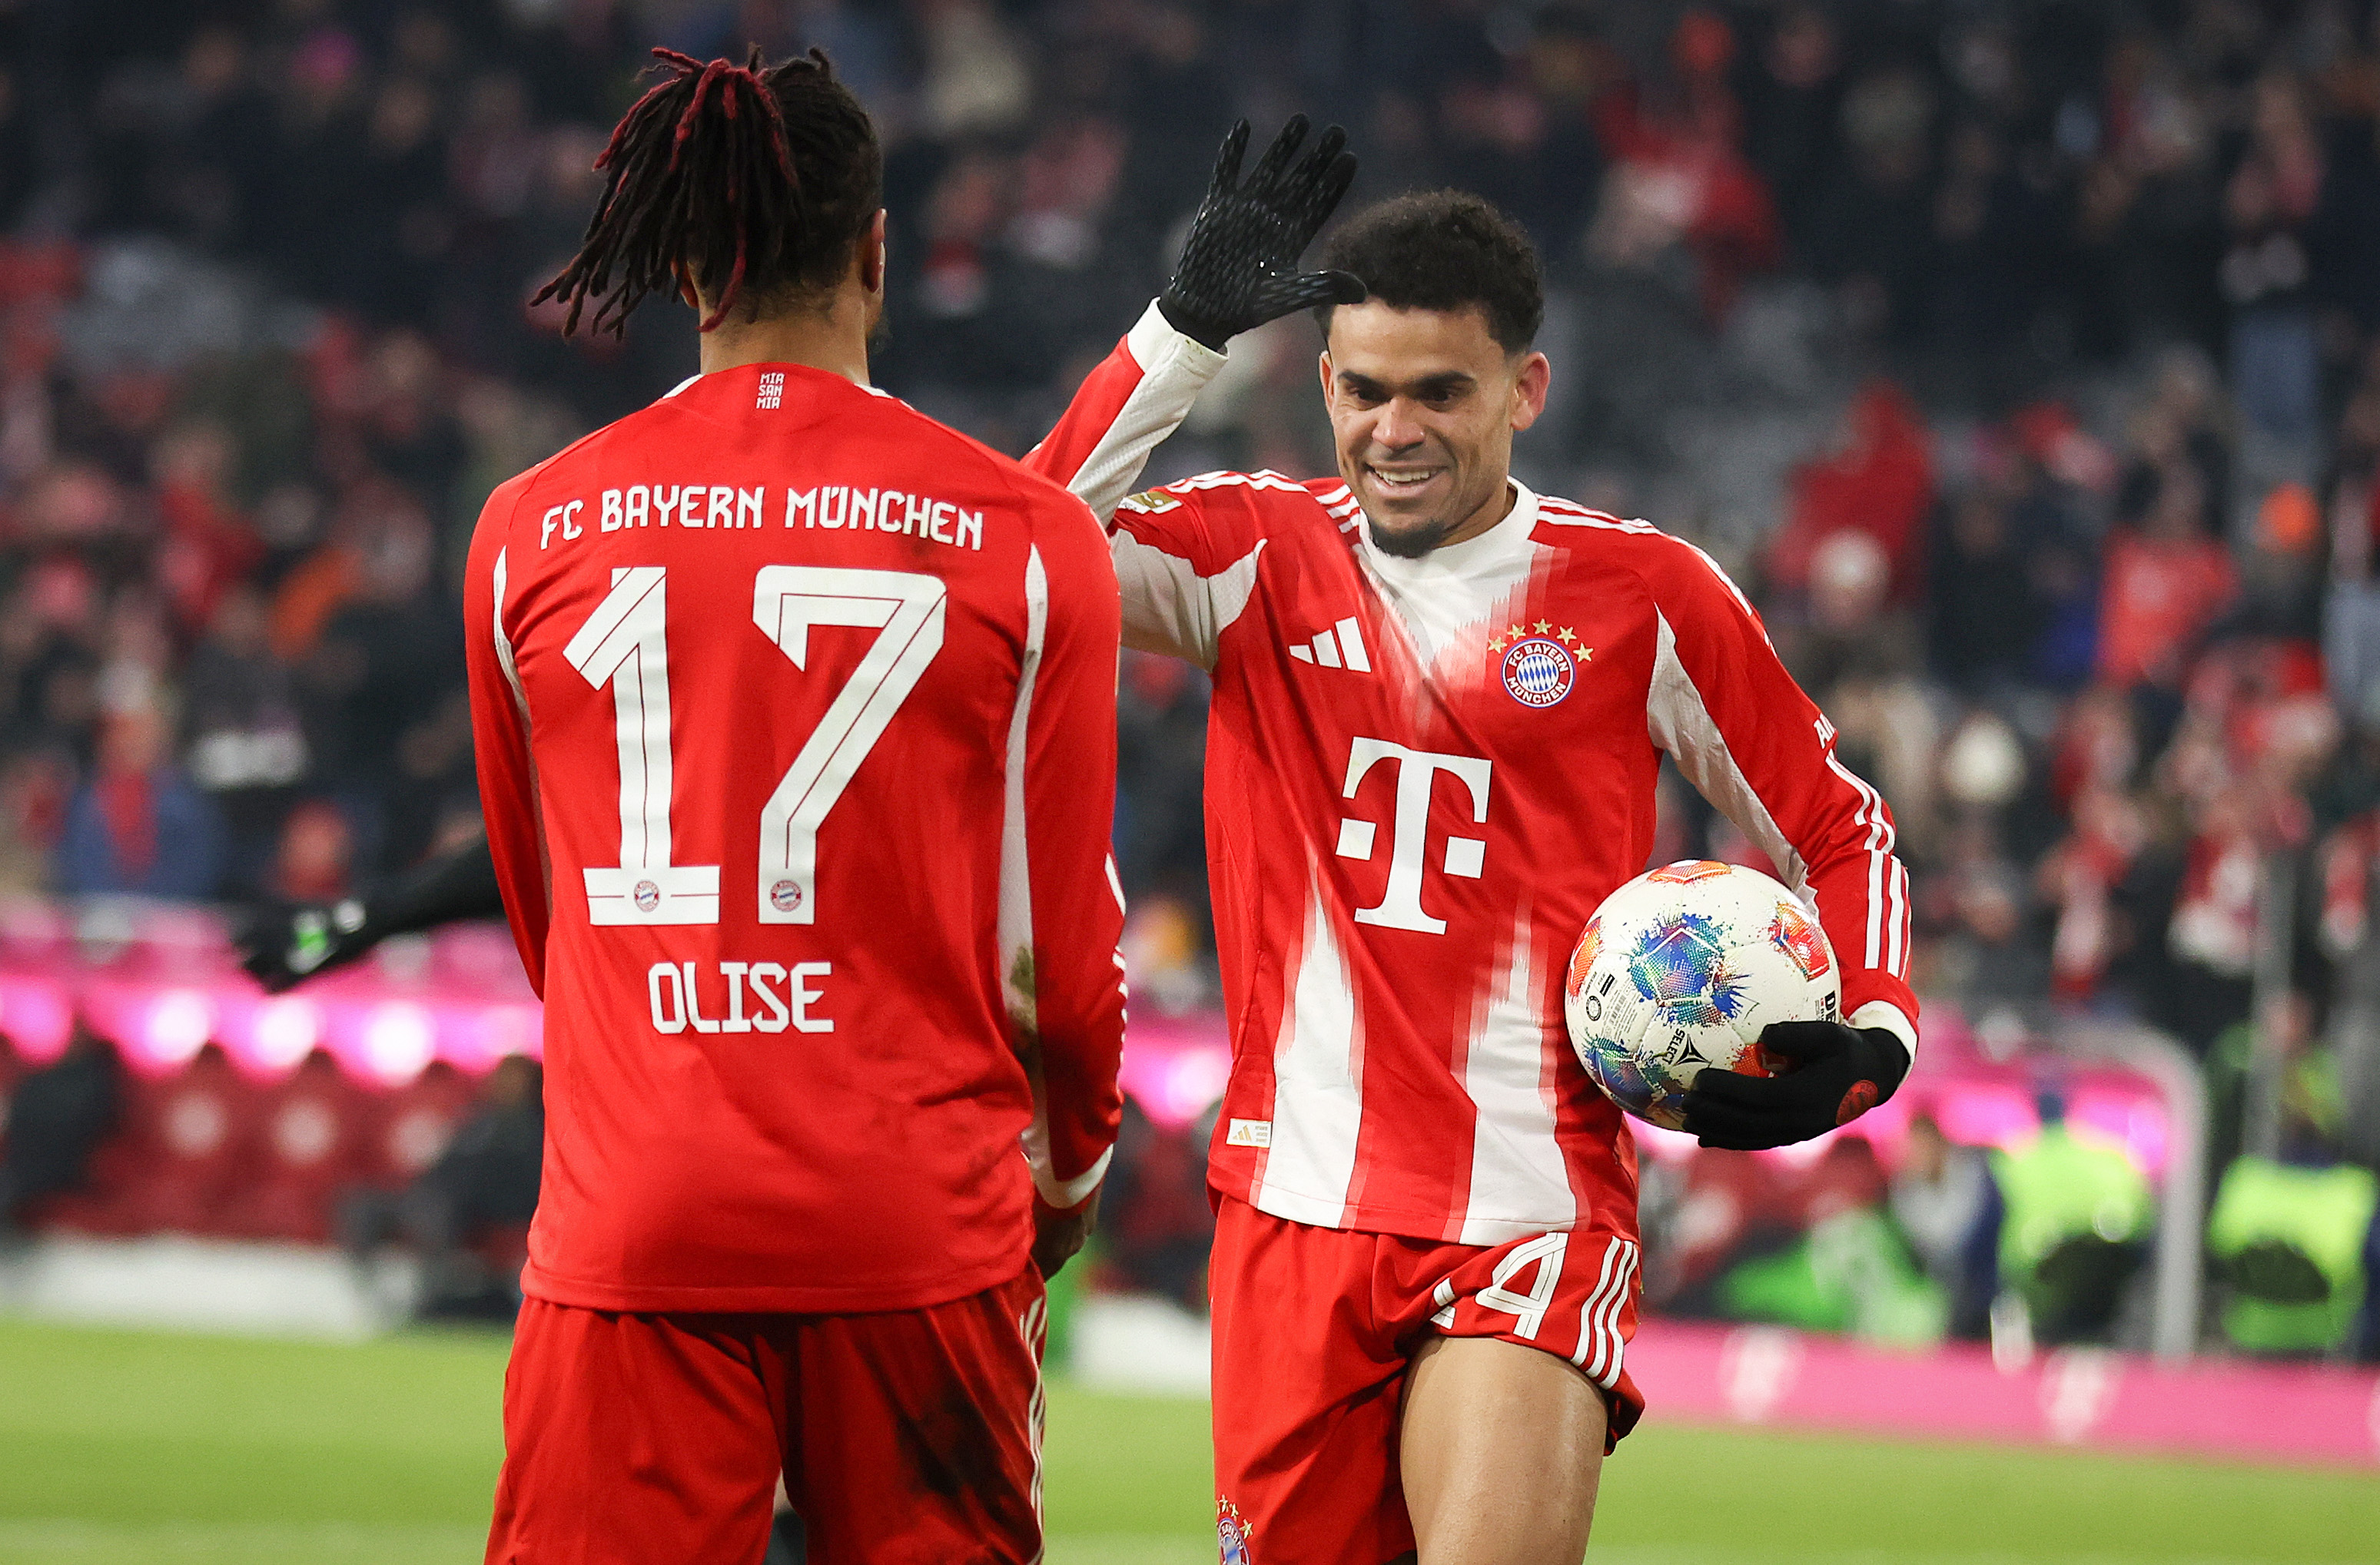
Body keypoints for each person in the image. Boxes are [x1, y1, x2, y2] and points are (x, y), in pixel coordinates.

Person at [1021, 157, 1920, 1562]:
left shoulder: (1641, 593)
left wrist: (1872, 1030)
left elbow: (1836, 825)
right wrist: (1179, 333)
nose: (1394, 430)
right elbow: (1018, 548)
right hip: (1289, 1213)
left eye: (1440, 391)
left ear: (1524, 390)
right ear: (1324, 385)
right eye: (1364, 390)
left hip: (1528, 1207)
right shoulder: (1254, 550)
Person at [458, 48, 1126, 1565]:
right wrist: (1068, 1172)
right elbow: (1061, 946)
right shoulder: (1029, 539)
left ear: (684, 264)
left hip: (636, 1213)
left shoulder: (524, 530)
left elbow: (545, 910)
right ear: (878, 253)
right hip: (917, 1224)